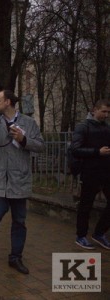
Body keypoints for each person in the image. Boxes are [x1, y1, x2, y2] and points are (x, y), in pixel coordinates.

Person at [0, 90, 45, 275]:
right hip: (0, 179)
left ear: (8, 102)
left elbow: (40, 145)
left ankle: (15, 257)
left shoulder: (28, 123)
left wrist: (23, 140)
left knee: (19, 221)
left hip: (19, 180)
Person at [72, 100, 110, 250]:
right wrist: (97, 152)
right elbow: (75, 149)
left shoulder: (107, 128)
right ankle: (81, 236)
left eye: (108, 112)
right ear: (94, 110)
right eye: (103, 111)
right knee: (85, 205)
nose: (106, 115)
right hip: (90, 172)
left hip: (106, 172)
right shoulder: (83, 127)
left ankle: (99, 233)